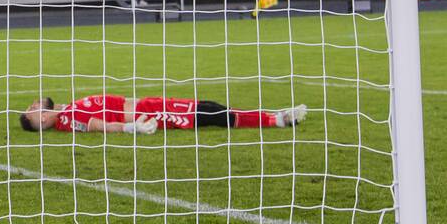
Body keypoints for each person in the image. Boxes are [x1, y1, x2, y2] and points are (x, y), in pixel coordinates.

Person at [19, 94, 307, 133]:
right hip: (147, 113)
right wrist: (132, 129)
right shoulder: (68, 120)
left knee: (208, 107)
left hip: (148, 104)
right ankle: (277, 120)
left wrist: (49, 105)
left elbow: (50, 101)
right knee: (211, 115)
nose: (34, 105)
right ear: (41, 120)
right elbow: (96, 125)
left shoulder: (62, 111)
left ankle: (273, 116)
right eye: (33, 111)